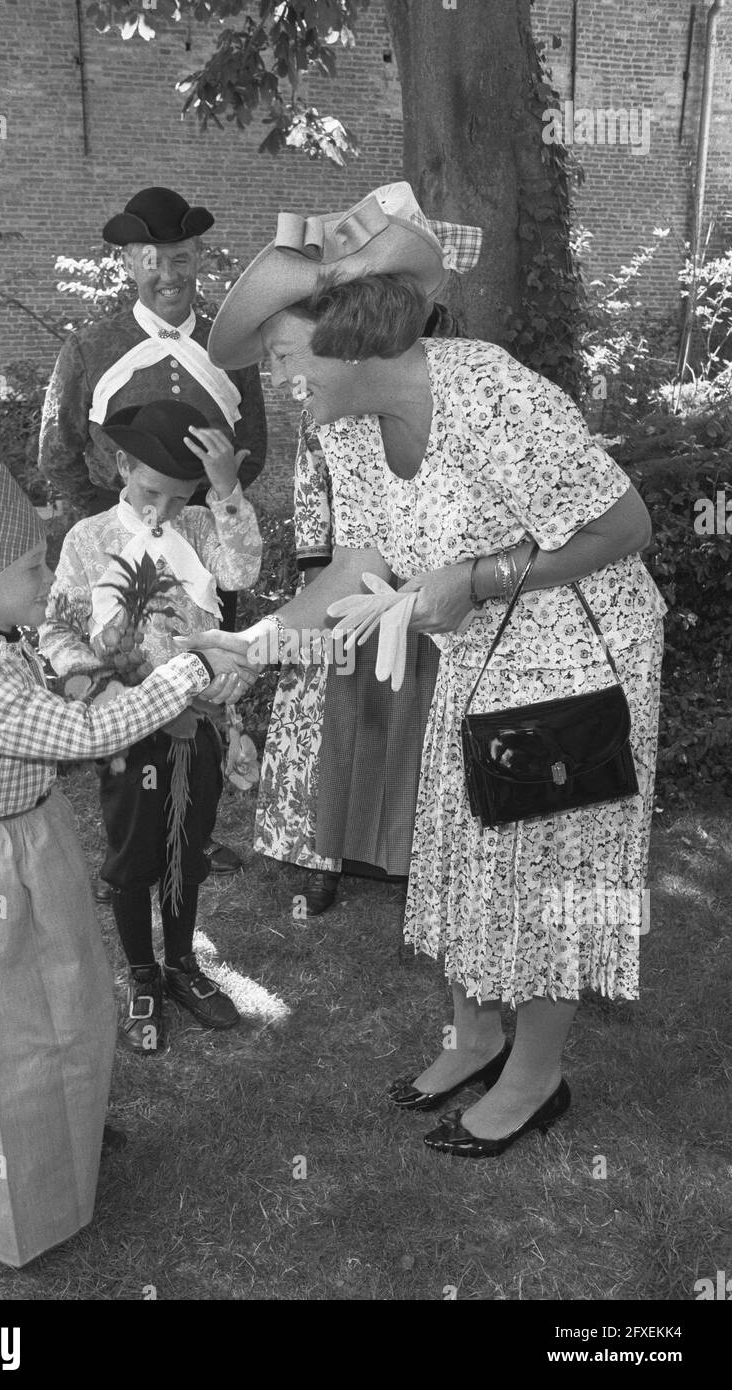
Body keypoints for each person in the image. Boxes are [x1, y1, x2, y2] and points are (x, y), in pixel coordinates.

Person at [185, 181, 666, 1160]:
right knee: (460, 841)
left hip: (578, 651)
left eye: (279, 357)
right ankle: (475, 1035)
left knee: (538, 868)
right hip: (477, 653)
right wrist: (258, 642)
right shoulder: (347, 432)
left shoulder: (489, 392)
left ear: (342, 329)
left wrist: (482, 577)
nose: (279, 384)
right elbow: (360, 566)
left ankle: (535, 1078)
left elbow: (627, 527)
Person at [0, 465, 243, 1267]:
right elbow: (87, 737)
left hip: (29, 836)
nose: (49, 577)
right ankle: (22, 1194)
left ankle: (64, 1129)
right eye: (30, 568)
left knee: (72, 999)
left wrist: (92, 670)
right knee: (10, 1032)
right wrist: (190, 669)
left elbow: (60, 696)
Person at [39, 185, 268, 876]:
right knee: (122, 693)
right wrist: (107, 530)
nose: (167, 274)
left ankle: (191, 829)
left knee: (197, 691)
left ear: (198, 254)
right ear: (128, 264)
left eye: (179, 256)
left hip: (202, 546)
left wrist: (200, 516)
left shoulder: (229, 348)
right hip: (114, 550)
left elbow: (250, 448)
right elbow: (59, 447)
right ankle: (130, 841)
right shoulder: (93, 345)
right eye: (150, 259)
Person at [40, 400, 262, 1053]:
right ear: (120, 466)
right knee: (135, 855)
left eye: (178, 498)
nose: (161, 512)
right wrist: (97, 684)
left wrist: (225, 493)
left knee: (186, 851)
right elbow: (57, 629)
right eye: (149, 493)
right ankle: (141, 972)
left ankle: (181, 966)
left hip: (196, 721)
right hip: (128, 725)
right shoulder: (88, 540)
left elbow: (242, 570)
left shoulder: (199, 528)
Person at [254, 408, 439, 913]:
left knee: (415, 719)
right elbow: (313, 494)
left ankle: (411, 858)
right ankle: (320, 857)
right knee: (329, 724)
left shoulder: (437, 402)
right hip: (342, 578)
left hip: (430, 583)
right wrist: (317, 585)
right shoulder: (324, 406)